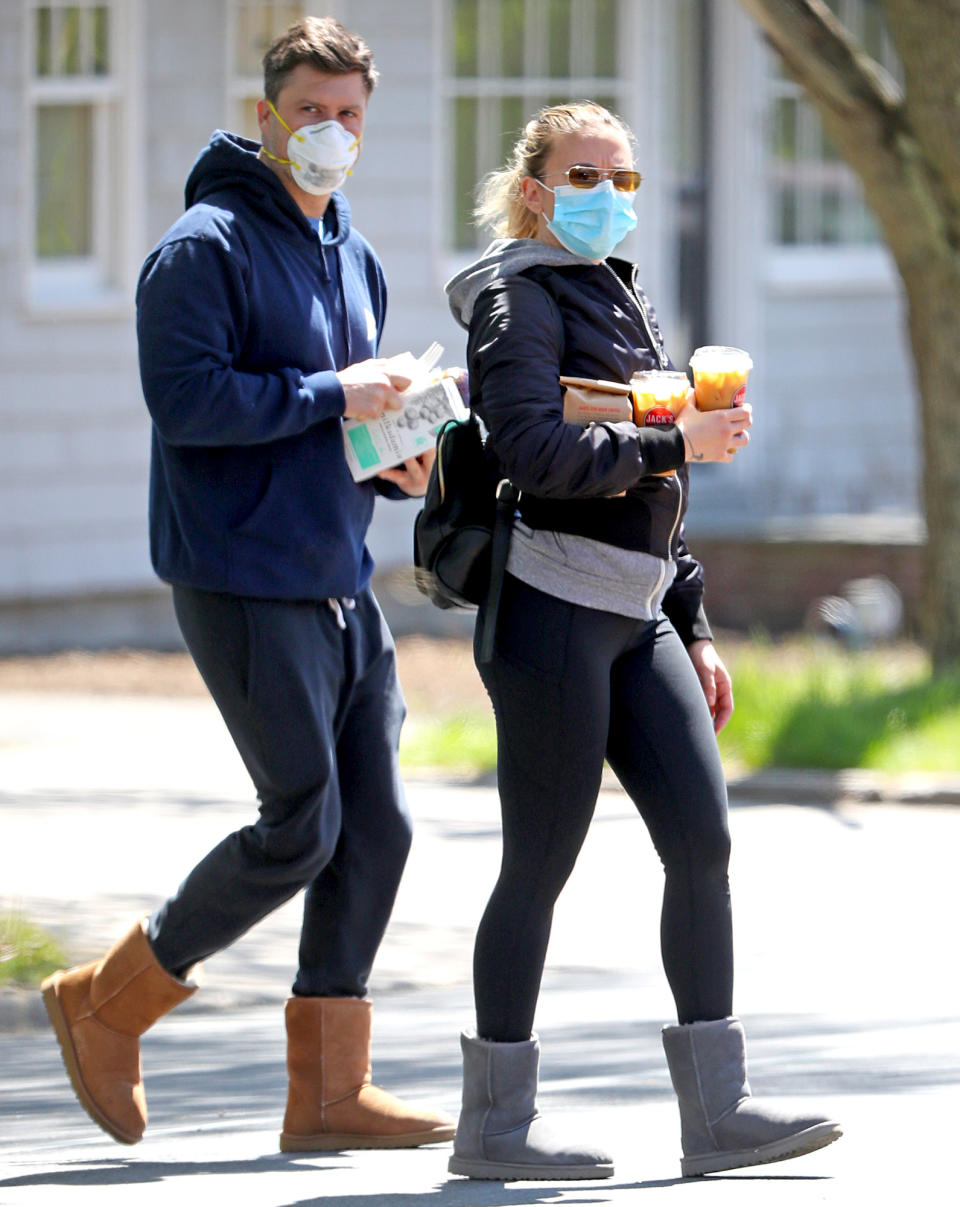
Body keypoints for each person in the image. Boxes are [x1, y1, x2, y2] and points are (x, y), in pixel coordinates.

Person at [40, 16, 454, 1155]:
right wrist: (338, 394)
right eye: (311, 111)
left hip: (338, 575)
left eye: (351, 115)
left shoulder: (352, 255)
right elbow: (193, 406)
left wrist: (396, 457)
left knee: (376, 828)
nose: (331, 132)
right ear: (266, 114)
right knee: (300, 824)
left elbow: (342, 421)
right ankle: (105, 1003)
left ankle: (328, 1092)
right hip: (239, 573)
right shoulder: (203, 247)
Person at [443, 101, 842, 1181]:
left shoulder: (617, 292)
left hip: (639, 610)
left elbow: (654, 489)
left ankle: (718, 1112)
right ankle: (493, 1126)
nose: (608, 196)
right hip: (551, 612)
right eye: (584, 176)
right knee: (541, 861)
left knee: (703, 841)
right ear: (536, 190)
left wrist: (695, 622)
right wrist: (678, 435)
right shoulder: (514, 301)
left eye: (622, 176)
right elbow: (529, 445)